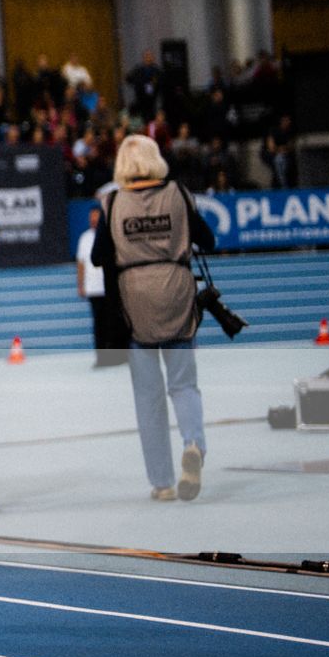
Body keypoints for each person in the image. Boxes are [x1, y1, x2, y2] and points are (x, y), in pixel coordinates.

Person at [90, 134, 216, 503]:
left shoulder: (112, 202)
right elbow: (207, 241)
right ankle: (193, 444)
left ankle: (161, 482)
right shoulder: (178, 193)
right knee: (184, 384)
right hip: (176, 290)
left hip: (135, 300)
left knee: (148, 396)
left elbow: (99, 256)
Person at [76, 202, 127, 368]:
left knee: (115, 323)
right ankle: (101, 357)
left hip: (110, 287)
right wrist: (81, 285)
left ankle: (119, 355)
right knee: (99, 325)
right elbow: (81, 263)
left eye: (96, 219)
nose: (93, 222)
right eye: (91, 219)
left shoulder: (111, 234)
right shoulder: (84, 238)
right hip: (94, 289)